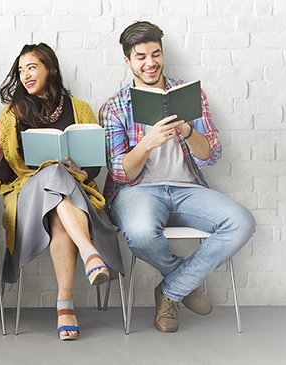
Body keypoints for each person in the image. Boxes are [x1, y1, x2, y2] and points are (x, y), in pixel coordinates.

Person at [99, 21, 256, 333]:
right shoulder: (114, 107)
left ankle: (171, 291)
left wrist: (186, 130)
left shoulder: (189, 95)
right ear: (128, 61)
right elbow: (119, 171)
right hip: (137, 191)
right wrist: (147, 143)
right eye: (141, 56)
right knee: (141, 234)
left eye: (156, 54)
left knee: (242, 222)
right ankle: (186, 282)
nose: (150, 62)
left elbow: (212, 153)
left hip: (187, 189)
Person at [0, 43, 123, 341]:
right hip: (27, 194)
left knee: (60, 200)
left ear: (52, 69)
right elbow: (7, 176)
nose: (25, 75)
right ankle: (90, 253)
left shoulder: (80, 108)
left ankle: (65, 304)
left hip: (70, 195)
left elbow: (95, 165)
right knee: (52, 173)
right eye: (21, 70)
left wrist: (81, 173)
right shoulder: (11, 114)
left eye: (32, 67)